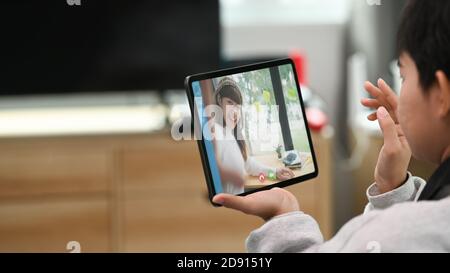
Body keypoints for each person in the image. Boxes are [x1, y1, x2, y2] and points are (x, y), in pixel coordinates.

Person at [212, 0, 450, 252]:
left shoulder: (392, 236)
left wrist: (283, 216)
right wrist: (393, 188)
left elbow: (405, 237)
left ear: (442, 95)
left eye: (403, 76)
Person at [211, 77, 294, 195]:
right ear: (219, 100)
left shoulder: (231, 135)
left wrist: (274, 173)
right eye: (230, 103)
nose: (235, 111)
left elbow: (248, 164)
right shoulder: (216, 133)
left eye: (238, 107)